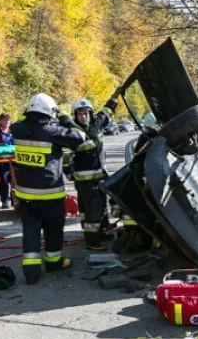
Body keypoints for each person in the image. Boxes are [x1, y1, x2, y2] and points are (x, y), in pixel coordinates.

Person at [11, 93, 87, 284]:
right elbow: (80, 137)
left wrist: (26, 113)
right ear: (49, 112)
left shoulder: (17, 129)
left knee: (30, 230)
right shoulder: (51, 131)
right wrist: (64, 118)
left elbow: (21, 119)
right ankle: (53, 262)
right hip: (50, 193)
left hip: (25, 193)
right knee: (53, 229)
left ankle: (31, 271)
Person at [69, 97, 118, 251]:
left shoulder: (96, 126)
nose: (84, 116)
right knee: (93, 208)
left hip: (99, 176)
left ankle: (101, 231)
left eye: (87, 113)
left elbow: (106, 112)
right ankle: (91, 240)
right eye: (81, 114)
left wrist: (115, 97)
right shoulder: (73, 132)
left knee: (101, 205)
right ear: (75, 115)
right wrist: (67, 171)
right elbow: (66, 154)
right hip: (85, 180)